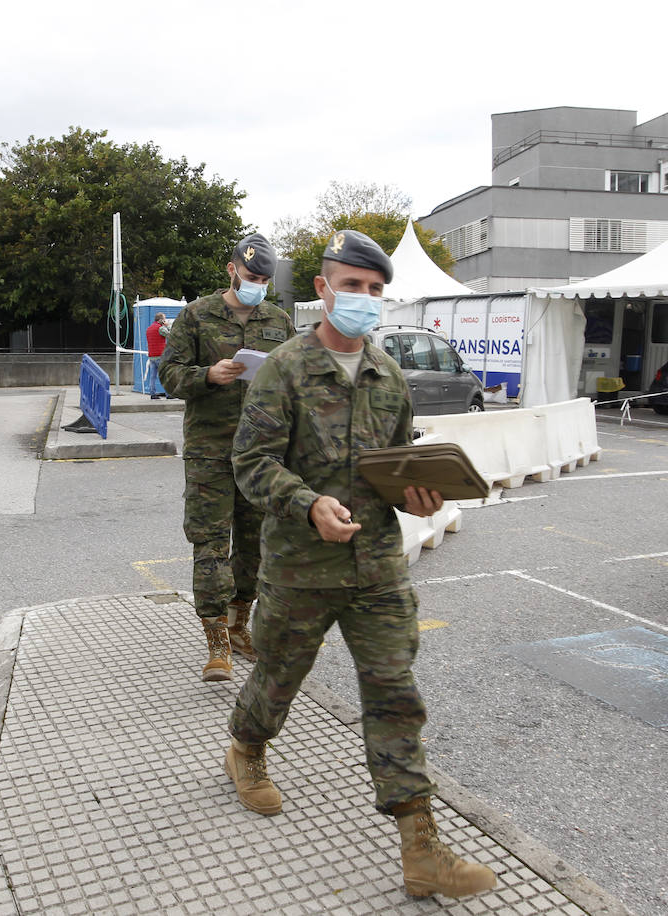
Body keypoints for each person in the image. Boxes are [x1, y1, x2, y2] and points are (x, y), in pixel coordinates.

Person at [224, 231, 497, 901]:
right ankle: (246, 748)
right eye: (353, 286)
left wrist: (418, 495)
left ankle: (421, 848)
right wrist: (308, 502)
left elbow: (396, 462)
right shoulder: (283, 369)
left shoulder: (387, 373)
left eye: (375, 291)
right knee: (279, 676)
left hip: (375, 565)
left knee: (395, 696)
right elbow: (251, 465)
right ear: (322, 289)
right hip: (299, 568)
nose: (364, 300)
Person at [158, 233, 294, 681]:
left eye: (264, 280)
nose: (256, 285)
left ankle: (239, 628)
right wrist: (208, 375)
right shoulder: (197, 316)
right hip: (210, 453)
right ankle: (216, 644)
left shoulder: (277, 320)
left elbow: (295, 378)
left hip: (261, 454)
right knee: (210, 545)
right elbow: (169, 374)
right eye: (250, 276)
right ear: (231, 269)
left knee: (255, 547)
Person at [145, 312, 169, 399]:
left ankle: (152, 393)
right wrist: (167, 326)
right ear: (161, 320)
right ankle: (168, 394)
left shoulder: (149, 329)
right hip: (160, 355)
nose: (165, 320)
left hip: (151, 355)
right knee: (164, 375)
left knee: (153, 376)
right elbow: (169, 334)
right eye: (164, 319)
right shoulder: (161, 328)